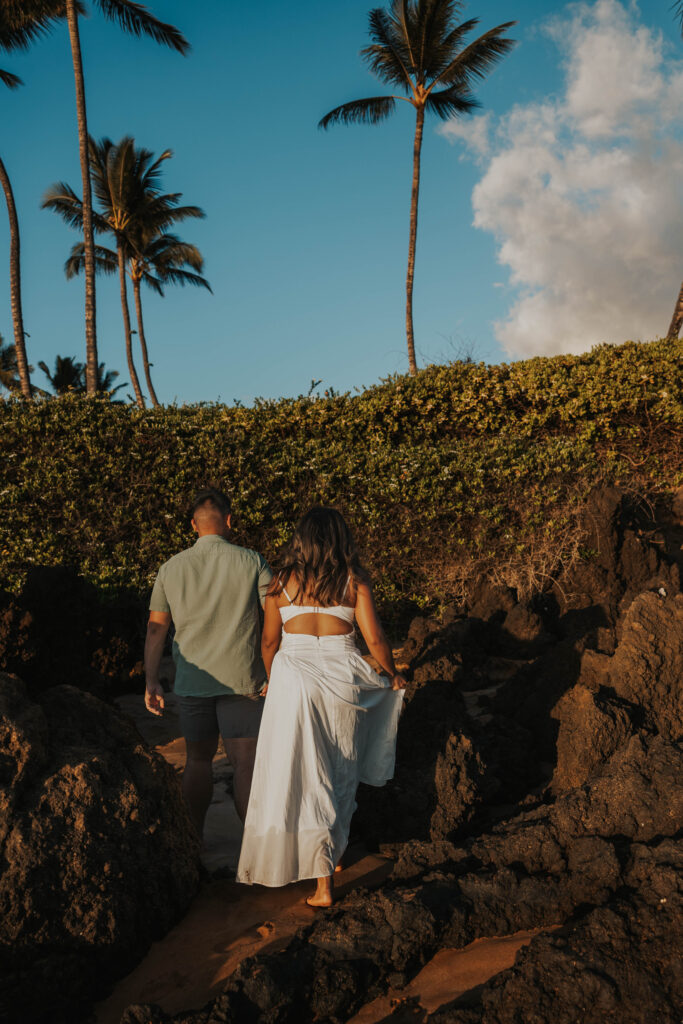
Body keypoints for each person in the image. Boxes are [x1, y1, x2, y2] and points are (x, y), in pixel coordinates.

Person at [236, 506, 405, 907]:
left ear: (301, 540)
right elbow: (376, 639)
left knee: (298, 772)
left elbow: (268, 643)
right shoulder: (354, 583)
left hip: (293, 680)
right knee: (338, 770)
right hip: (341, 678)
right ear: (340, 539)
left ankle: (322, 872)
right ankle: (329, 866)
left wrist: (273, 677)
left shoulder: (280, 584)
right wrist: (392, 672)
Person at [144, 487, 272, 835]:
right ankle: (255, 853)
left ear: (192, 525)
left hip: (192, 683)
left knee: (198, 762)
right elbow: (276, 618)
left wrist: (151, 681)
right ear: (230, 520)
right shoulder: (253, 561)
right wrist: (277, 669)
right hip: (243, 681)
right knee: (245, 766)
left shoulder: (170, 568)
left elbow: (157, 630)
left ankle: (193, 841)